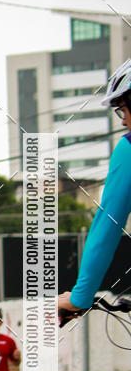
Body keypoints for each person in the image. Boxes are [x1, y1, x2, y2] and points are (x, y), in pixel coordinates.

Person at [58, 58, 131, 318]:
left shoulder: (129, 148)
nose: (123, 121)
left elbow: (107, 225)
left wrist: (80, 296)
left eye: (123, 110)